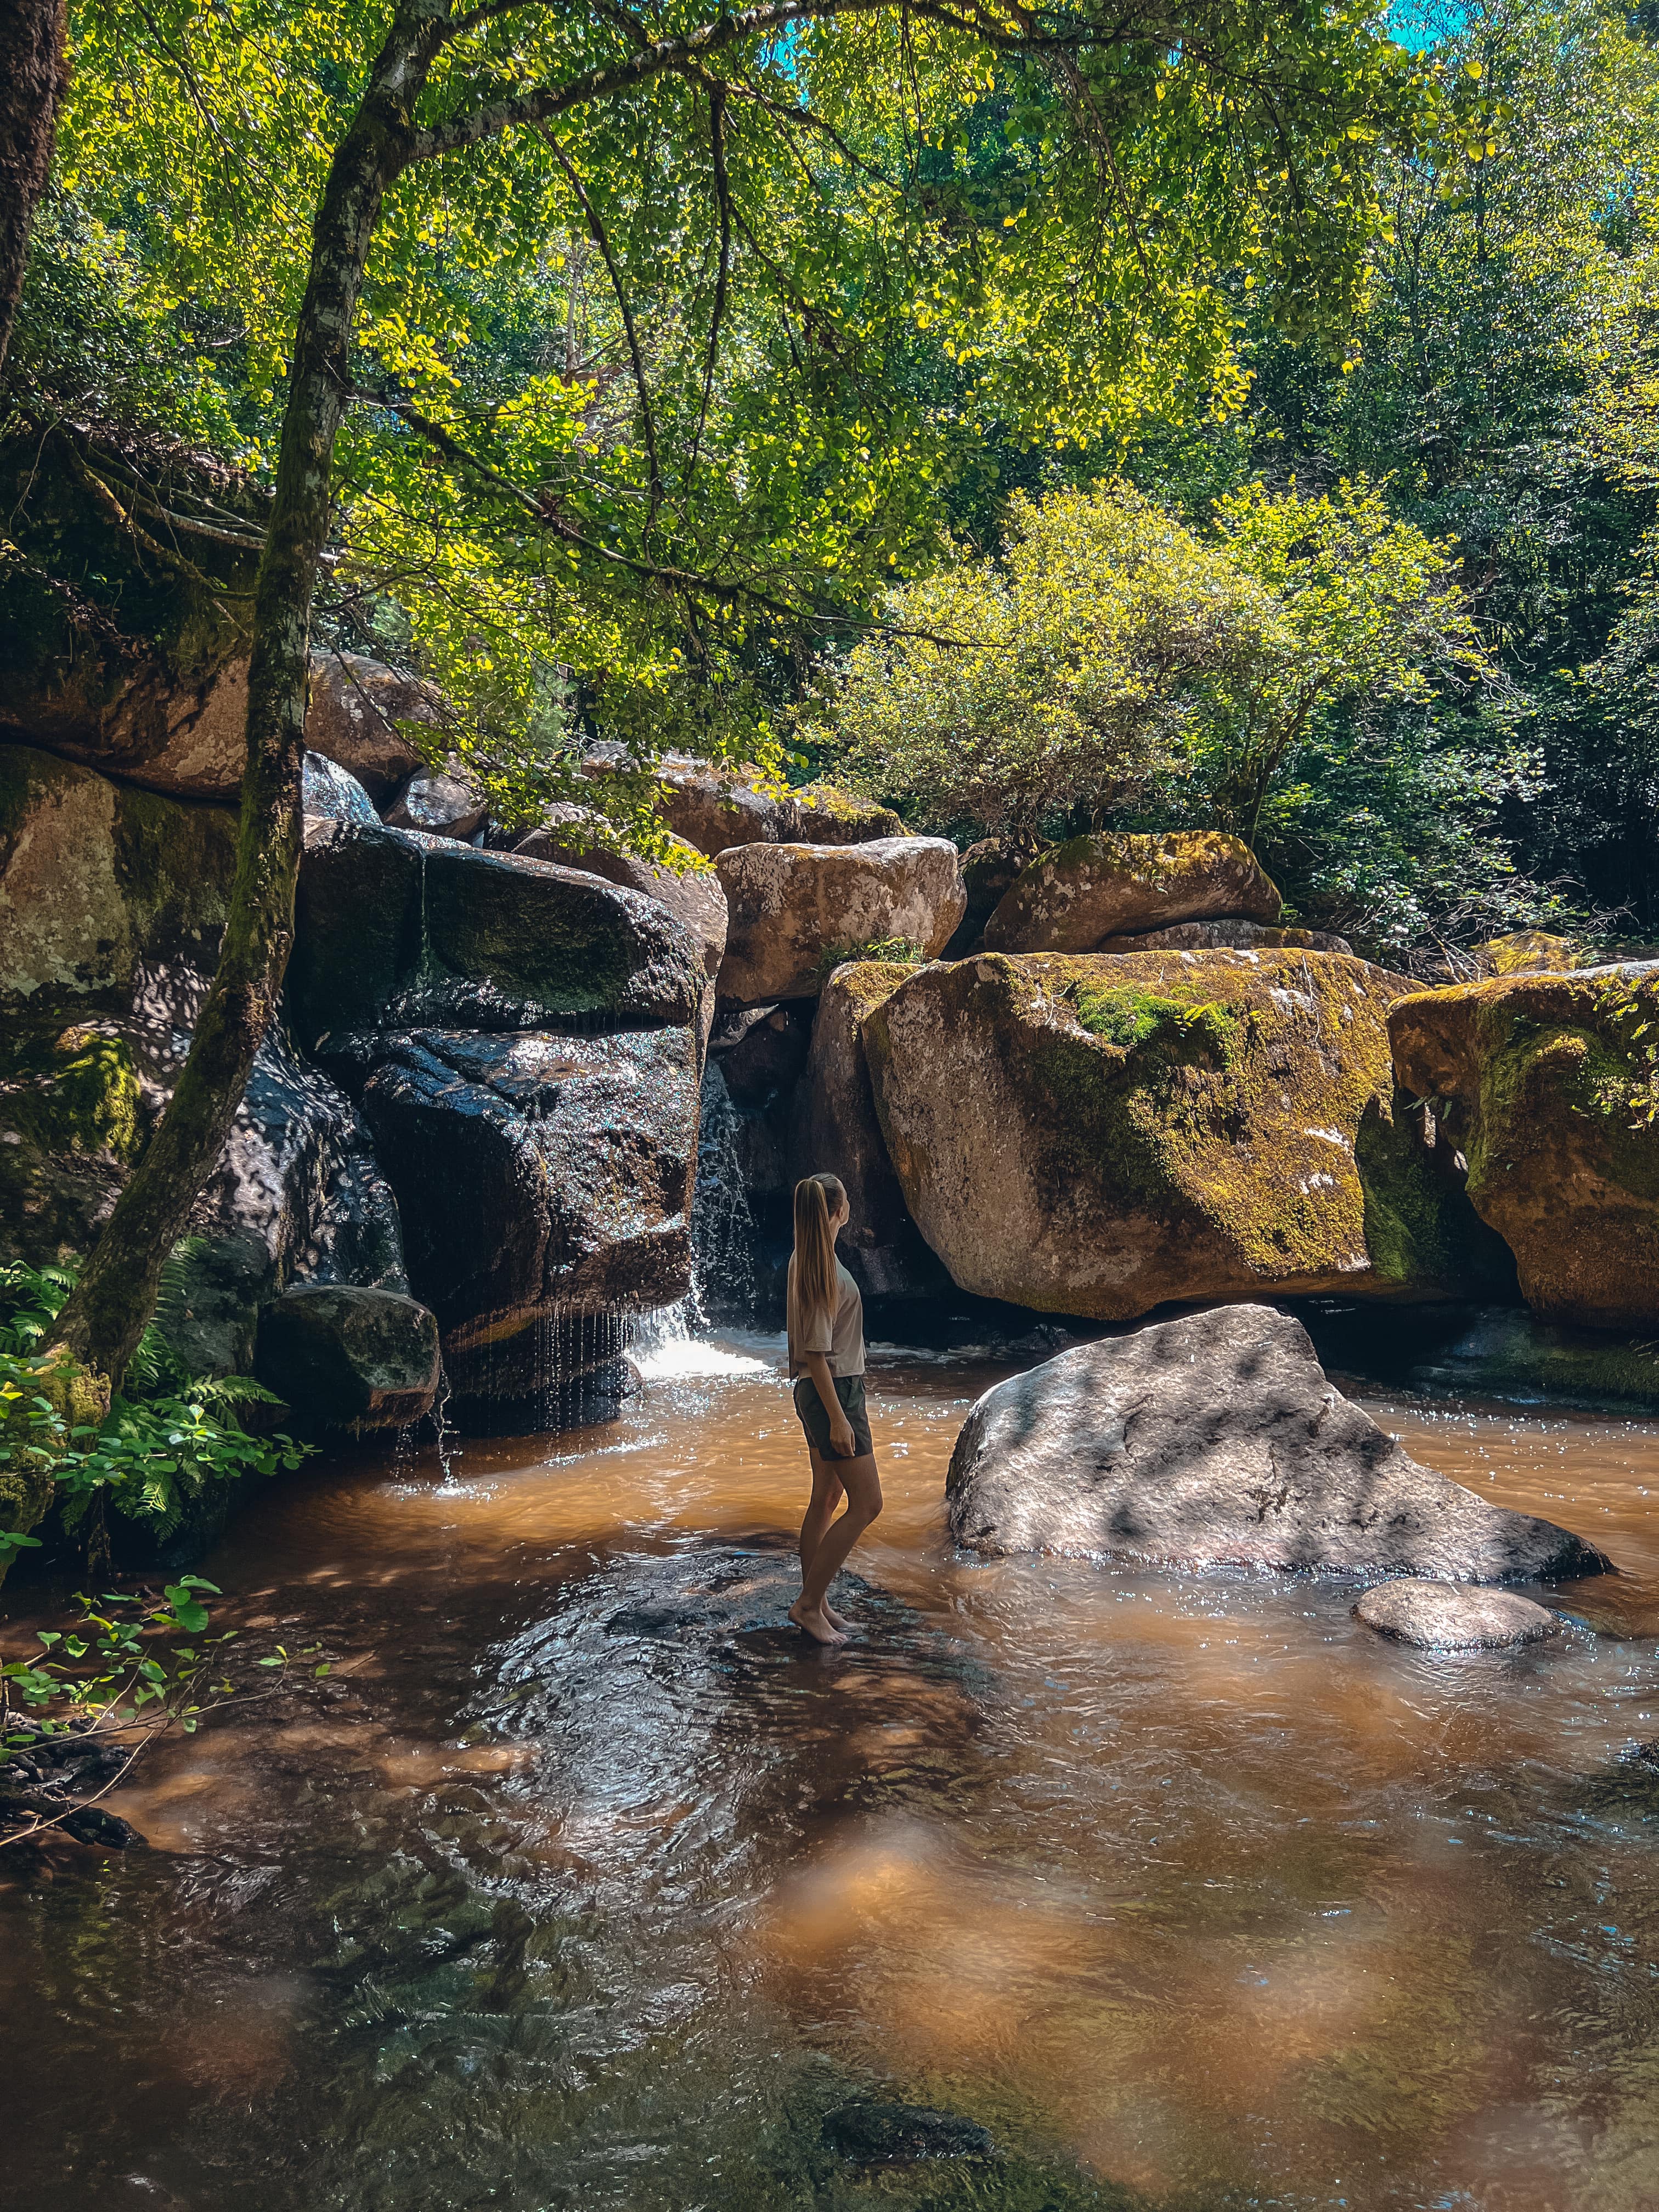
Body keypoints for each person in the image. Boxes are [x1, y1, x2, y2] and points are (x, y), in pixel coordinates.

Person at [786, 1172, 883, 1646]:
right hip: (834, 1393)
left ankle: (818, 1603)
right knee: (868, 1504)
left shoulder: (803, 1257)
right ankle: (807, 1605)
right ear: (838, 1211)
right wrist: (841, 1418)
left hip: (813, 1391)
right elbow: (817, 1353)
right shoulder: (824, 1270)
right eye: (847, 1201)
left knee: (825, 1499)